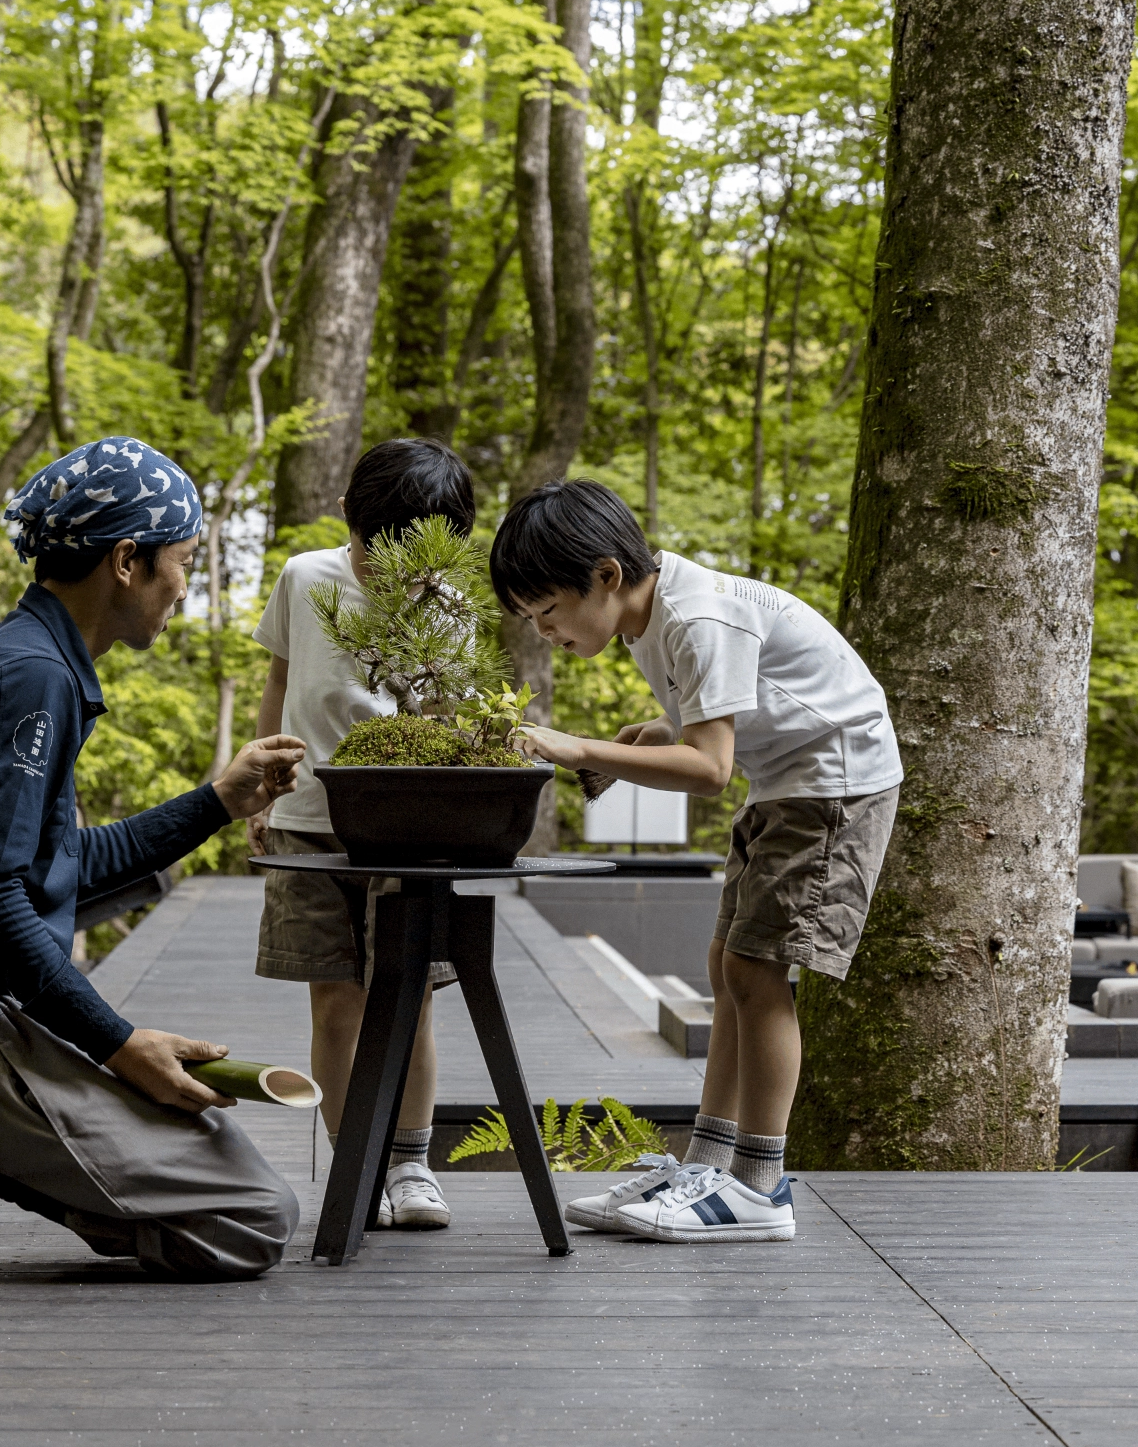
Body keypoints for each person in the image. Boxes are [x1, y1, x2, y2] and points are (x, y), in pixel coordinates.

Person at [0, 436, 308, 1281]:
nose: (185, 587)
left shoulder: (28, 658)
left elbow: (58, 865)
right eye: (182, 561)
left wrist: (219, 801)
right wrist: (118, 1043)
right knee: (251, 1221)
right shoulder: (32, 680)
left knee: (229, 1179)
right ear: (128, 560)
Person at [489, 479, 901, 1244]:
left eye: (547, 610)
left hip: (836, 786)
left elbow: (710, 768)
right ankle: (708, 1166)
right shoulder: (659, 614)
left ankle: (759, 1188)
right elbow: (720, 714)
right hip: (789, 781)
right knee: (726, 965)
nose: (543, 631)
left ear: (605, 576)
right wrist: (648, 735)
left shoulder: (695, 615)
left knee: (757, 969)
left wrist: (575, 746)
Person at [248, 439, 477, 1230]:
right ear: (347, 514)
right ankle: (357, 1162)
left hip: (410, 830)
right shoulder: (306, 577)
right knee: (335, 1000)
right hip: (309, 820)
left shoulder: (447, 605)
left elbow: (447, 721)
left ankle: (411, 1163)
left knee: (408, 1000)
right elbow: (279, 680)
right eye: (373, 545)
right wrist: (260, 781)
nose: (385, 565)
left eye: (413, 551)